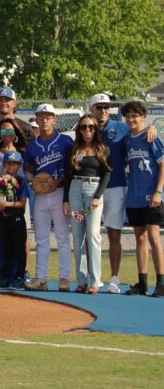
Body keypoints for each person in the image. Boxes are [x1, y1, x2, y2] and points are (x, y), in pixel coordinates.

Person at [0, 86, 35, 287]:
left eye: (7, 100)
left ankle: (24, 271)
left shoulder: (25, 128)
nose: (4, 103)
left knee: (21, 233)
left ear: (14, 103)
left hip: (19, 192)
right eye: (0, 99)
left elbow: (32, 159)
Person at [24, 104, 73, 291]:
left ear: (54, 120)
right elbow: (29, 168)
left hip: (59, 192)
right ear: (36, 120)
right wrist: (31, 182)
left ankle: (64, 278)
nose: (44, 120)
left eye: (48, 117)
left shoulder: (66, 141)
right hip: (41, 196)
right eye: (41, 117)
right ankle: (42, 278)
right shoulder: (32, 145)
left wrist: (59, 181)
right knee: (42, 238)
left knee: (62, 237)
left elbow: (70, 169)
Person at [119, 100, 164, 296]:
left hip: (151, 196)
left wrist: (158, 191)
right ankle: (142, 282)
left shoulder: (151, 136)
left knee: (154, 237)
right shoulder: (128, 138)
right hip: (134, 197)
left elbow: (163, 165)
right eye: (128, 116)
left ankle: (161, 283)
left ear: (143, 117)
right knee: (140, 238)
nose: (131, 119)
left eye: (135, 115)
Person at [63, 114, 111, 294]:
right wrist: (66, 200)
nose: (87, 130)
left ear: (96, 129)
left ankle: (95, 281)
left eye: (91, 127)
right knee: (77, 235)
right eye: (83, 127)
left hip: (93, 189)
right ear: (79, 130)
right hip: (75, 190)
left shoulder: (102, 149)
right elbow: (68, 174)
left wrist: (98, 196)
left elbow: (107, 173)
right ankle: (81, 280)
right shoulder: (74, 148)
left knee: (93, 234)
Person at [93, 93, 136, 294]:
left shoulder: (121, 127)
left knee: (113, 233)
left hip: (116, 186)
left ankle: (114, 279)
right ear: (91, 109)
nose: (103, 111)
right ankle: (91, 278)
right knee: (89, 234)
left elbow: (140, 135)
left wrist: (152, 128)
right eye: (99, 107)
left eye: (106, 107)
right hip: (91, 187)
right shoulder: (85, 128)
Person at [0, 151, 30, 289]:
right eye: (8, 163)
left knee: (18, 248)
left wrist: (6, 205)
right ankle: (4, 276)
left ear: (19, 165)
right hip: (3, 218)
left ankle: (19, 276)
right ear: (4, 164)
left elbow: (22, 203)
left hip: (17, 218)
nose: (11, 166)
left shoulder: (21, 180)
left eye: (14, 163)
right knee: (4, 247)